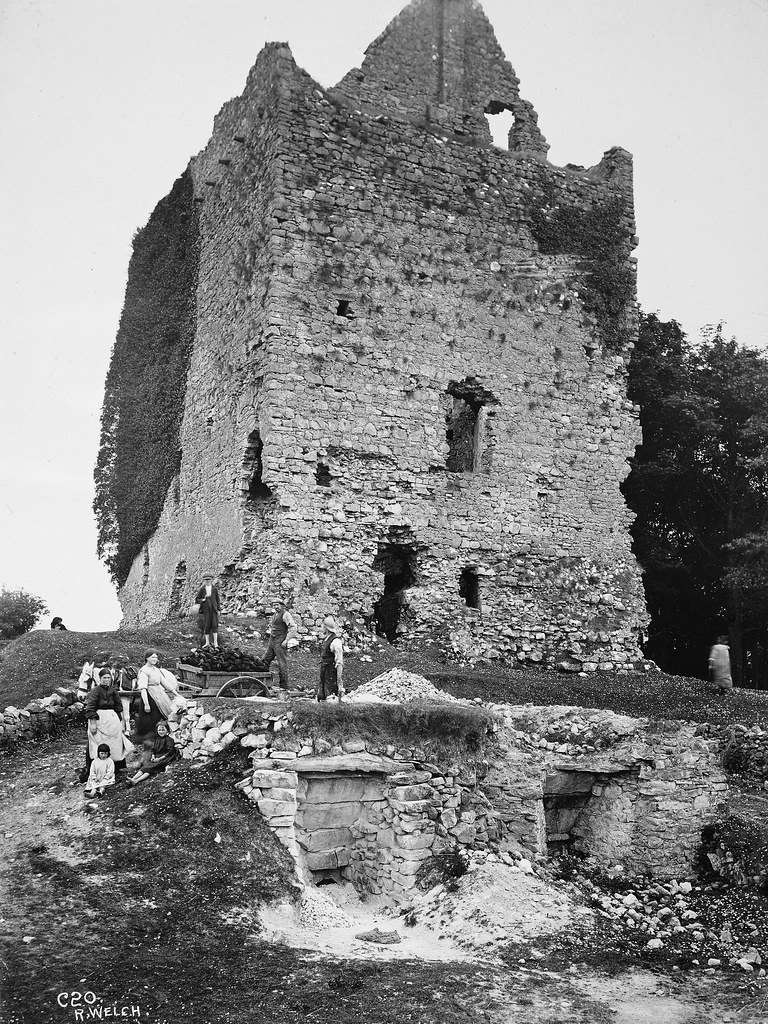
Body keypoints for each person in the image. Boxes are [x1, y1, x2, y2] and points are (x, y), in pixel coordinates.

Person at [82, 668, 133, 781]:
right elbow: (90, 708)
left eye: (108, 678)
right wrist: (93, 723)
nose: (106, 680)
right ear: (100, 678)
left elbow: (118, 707)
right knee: (97, 742)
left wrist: (119, 721)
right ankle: (95, 768)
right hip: (99, 718)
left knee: (115, 743)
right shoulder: (95, 691)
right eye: (104, 678)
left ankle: (115, 768)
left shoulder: (113, 691)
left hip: (112, 719)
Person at [135, 650, 185, 739]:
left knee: (165, 713)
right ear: (147, 658)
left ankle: (162, 736)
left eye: (156, 657)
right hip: (149, 696)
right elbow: (143, 688)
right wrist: (146, 704)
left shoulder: (156, 670)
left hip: (160, 694)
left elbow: (164, 682)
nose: (155, 659)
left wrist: (176, 694)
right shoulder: (144, 671)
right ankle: (149, 738)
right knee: (152, 718)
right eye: (153, 657)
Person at [261, 600, 298, 689]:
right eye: (274, 605)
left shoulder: (286, 615)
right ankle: (262, 682)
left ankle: (284, 687)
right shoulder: (275, 615)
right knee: (265, 660)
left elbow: (293, 628)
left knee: (282, 664)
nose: (275, 607)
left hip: (280, 643)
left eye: (277, 605)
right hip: (272, 642)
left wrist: (286, 640)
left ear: (282, 605)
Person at [127, 722, 178, 787]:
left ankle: (137, 780)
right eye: (159, 730)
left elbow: (170, 752)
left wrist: (160, 759)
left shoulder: (170, 740)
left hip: (165, 757)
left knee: (151, 768)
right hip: (157, 756)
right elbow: (153, 749)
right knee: (146, 766)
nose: (161, 732)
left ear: (167, 730)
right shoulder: (157, 739)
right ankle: (133, 778)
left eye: (163, 730)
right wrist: (153, 756)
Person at [316, 616, 344, 702]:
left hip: (331, 671)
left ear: (326, 628)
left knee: (330, 694)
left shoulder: (335, 641)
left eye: (322, 626)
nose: (321, 628)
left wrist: (339, 680)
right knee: (322, 694)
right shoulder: (326, 639)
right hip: (324, 670)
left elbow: (339, 661)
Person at [194, 573, 221, 650]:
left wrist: (218, 609)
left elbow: (217, 600)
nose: (207, 581)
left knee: (215, 624)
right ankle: (207, 642)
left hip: (214, 609)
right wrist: (203, 599)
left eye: (209, 580)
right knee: (207, 624)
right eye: (206, 580)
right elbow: (197, 599)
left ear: (211, 580)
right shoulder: (202, 589)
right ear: (204, 581)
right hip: (206, 609)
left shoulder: (214, 589)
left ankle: (215, 642)